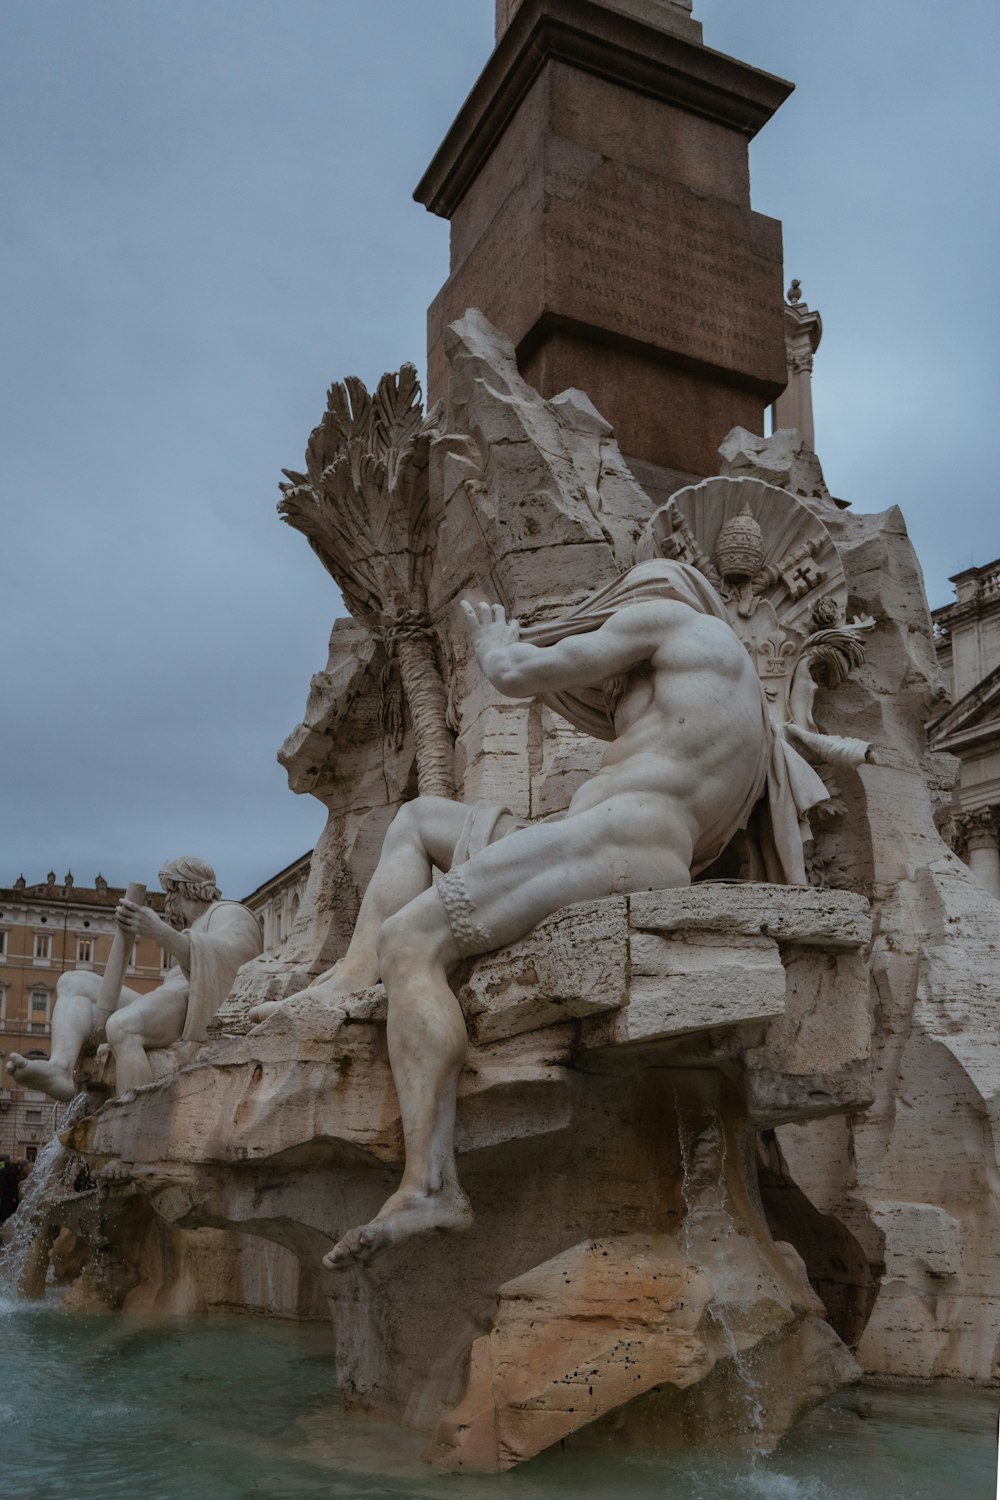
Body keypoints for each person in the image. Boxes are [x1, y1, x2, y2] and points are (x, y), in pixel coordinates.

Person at [250, 558, 829, 1272]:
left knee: (414, 940)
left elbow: (524, 673)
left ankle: (430, 1183)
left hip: (617, 837)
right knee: (420, 820)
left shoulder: (671, 617)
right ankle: (352, 977)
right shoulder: (735, 707)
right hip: (625, 841)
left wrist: (496, 647)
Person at [6, 857, 261, 1102]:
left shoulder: (228, 912)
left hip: (195, 1003)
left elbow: (236, 963)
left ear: (185, 889)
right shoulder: (192, 924)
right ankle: (60, 1068)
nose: (168, 901)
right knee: (71, 981)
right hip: (168, 1002)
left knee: (122, 1026)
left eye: (170, 893)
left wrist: (158, 931)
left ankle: (133, 1119)